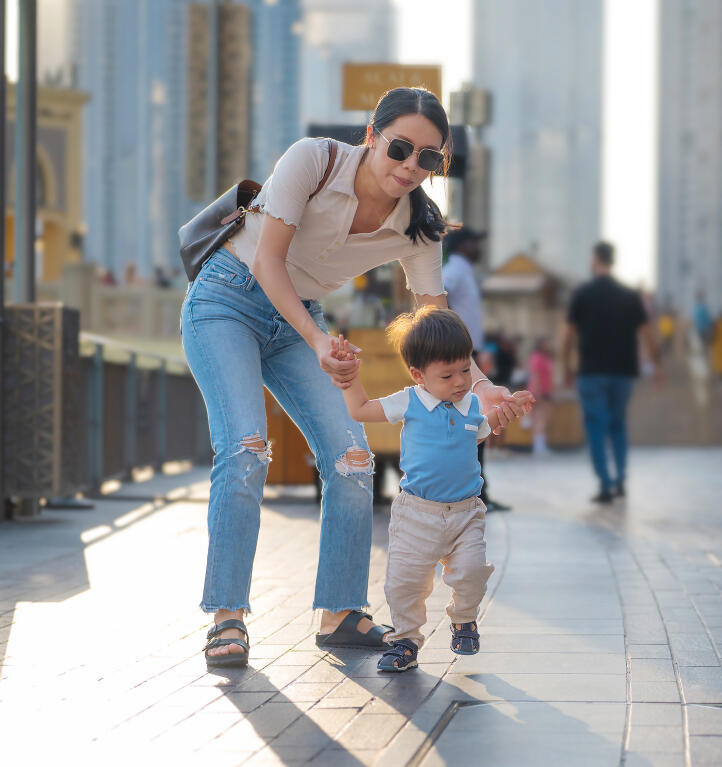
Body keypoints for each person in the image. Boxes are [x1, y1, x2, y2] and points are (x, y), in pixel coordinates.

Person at [183, 86, 525, 668]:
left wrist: (484, 383)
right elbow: (268, 261)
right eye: (399, 148)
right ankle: (227, 618)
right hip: (228, 298)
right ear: (370, 137)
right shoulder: (313, 160)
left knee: (352, 456)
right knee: (246, 447)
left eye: (429, 158)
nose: (411, 166)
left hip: (300, 320)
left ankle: (340, 612)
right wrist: (318, 341)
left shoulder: (419, 225)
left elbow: (435, 319)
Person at [335, 307, 530, 672]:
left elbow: (480, 430)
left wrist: (505, 413)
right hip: (417, 514)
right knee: (405, 584)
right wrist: (349, 379)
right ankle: (406, 640)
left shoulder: (470, 403)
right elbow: (361, 409)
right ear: (418, 374)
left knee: (472, 572)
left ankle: (463, 617)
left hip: (465, 513)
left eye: (463, 371)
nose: (459, 382)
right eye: (447, 375)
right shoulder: (408, 400)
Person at [563, 241, 661, 503]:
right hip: (623, 372)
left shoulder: (583, 294)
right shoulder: (630, 296)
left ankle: (605, 483)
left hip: (592, 372)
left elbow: (568, 336)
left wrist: (566, 367)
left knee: (595, 426)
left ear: (595, 259)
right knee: (618, 424)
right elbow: (647, 334)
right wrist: (657, 366)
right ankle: (620, 480)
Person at [440, 227, 510, 511]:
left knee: (475, 422)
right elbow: (437, 296)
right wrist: (450, 336)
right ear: (462, 245)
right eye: (474, 242)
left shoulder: (464, 271)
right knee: (473, 423)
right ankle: (475, 492)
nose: (478, 248)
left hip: (470, 354)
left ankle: (478, 490)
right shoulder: (455, 270)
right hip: (462, 357)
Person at [526, 336, 555, 454]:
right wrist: (537, 392)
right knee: (540, 419)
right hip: (539, 391)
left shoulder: (546, 358)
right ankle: (539, 447)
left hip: (546, 391)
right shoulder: (537, 357)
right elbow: (535, 376)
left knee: (545, 418)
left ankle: (541, 444)